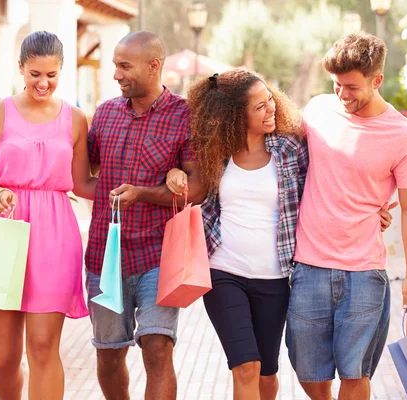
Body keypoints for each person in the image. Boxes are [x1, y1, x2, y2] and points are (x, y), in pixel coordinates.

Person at [165, 70, 394, 400]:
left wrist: (373, 212)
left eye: (269, 100)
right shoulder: (215, 152)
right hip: (223, 272)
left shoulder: (291, 149)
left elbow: (332, 186)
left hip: (276, 279)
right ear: (234, 114)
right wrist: (175, 172)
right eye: (259, 106)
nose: (270, 108)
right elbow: (188, 176)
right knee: (245, 366)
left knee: (267, 372)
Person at [286, 32, 407, 400]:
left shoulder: (403, 135)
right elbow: (286, 162)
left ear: (377, 80)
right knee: (308, 372)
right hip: (309, 265)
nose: (343, 95)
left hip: (365, 272)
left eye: (351, 87)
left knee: (355, 372)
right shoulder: (316, 111)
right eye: (336, 85)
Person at [0, 31, 93, 400]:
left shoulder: (75, 119)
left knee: (42, 347)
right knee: (3, 360)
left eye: (52, 75)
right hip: (2, 232)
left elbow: (82, 183)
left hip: (55, 234)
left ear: (61, 71)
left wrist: (146, 190)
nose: (43, 83)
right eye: (35, 73)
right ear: (21, 68)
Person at [84, 31, 204, 400]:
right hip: (105, 257)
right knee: (109, 354)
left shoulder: (184, 116)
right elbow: (85, 171)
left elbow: (197, 188)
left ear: (154, 65)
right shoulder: (104, 114)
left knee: (157, 347)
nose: (116, 74)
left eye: (124, 66)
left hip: (158, 257)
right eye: (115, 65)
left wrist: (147, 194)